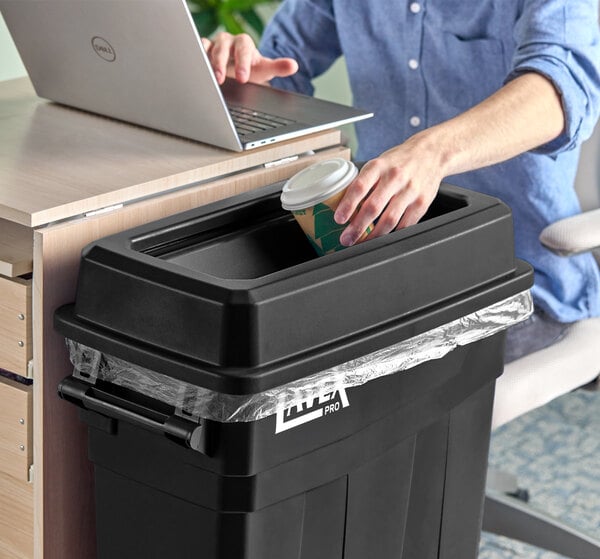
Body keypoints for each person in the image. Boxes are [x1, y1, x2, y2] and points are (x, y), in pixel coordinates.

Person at [203, 0, 600, 361]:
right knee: (248, 343)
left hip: (512, 274)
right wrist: (240, 78)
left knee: (367, 390)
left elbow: (559, 91)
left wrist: (432, 153)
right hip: (376, 263)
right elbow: (279, 75)